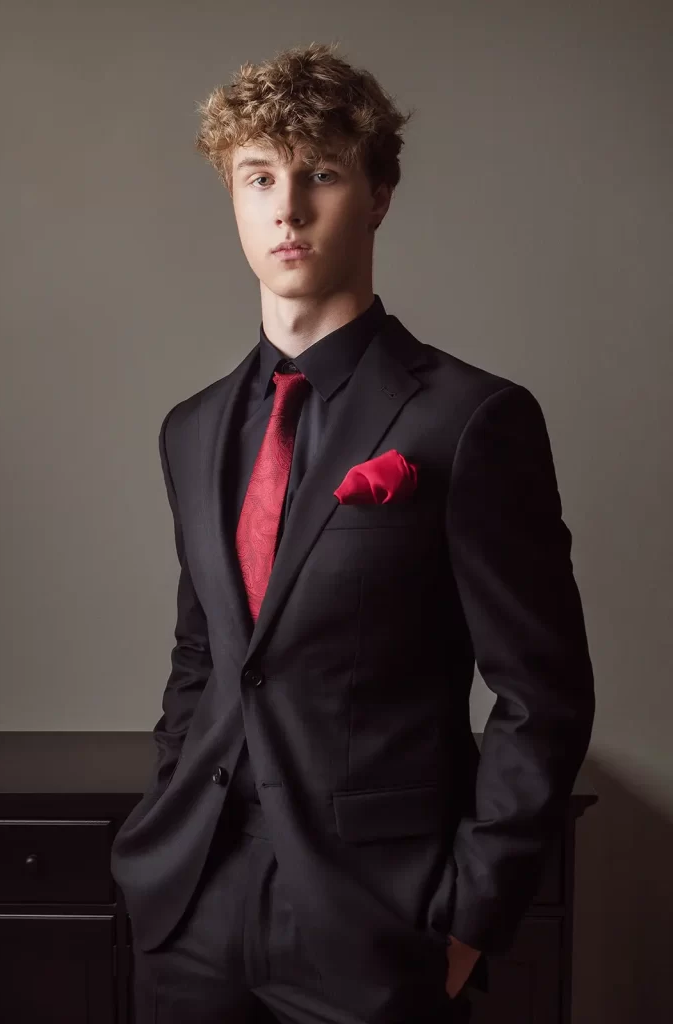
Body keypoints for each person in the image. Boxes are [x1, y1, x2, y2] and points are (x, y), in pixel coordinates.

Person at [110, 41, 595, 1024]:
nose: (287, 207)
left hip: (379, 919)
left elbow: (541, 691)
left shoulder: (471, 419)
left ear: (378, 193)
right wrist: (169, 814)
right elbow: (204, 655)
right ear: (235, 199)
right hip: (190, 903)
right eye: (259, 178)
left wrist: (471, 914)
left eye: (321, 173)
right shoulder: (192, 427)